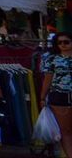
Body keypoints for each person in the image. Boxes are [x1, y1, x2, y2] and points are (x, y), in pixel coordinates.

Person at [40, 30, 72, 158]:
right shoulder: (51, 58)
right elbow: (47, 79)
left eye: (66, 42)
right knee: (65, 131)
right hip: (59, 95)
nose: (63, 45)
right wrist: (42, 97)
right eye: (59, 42)